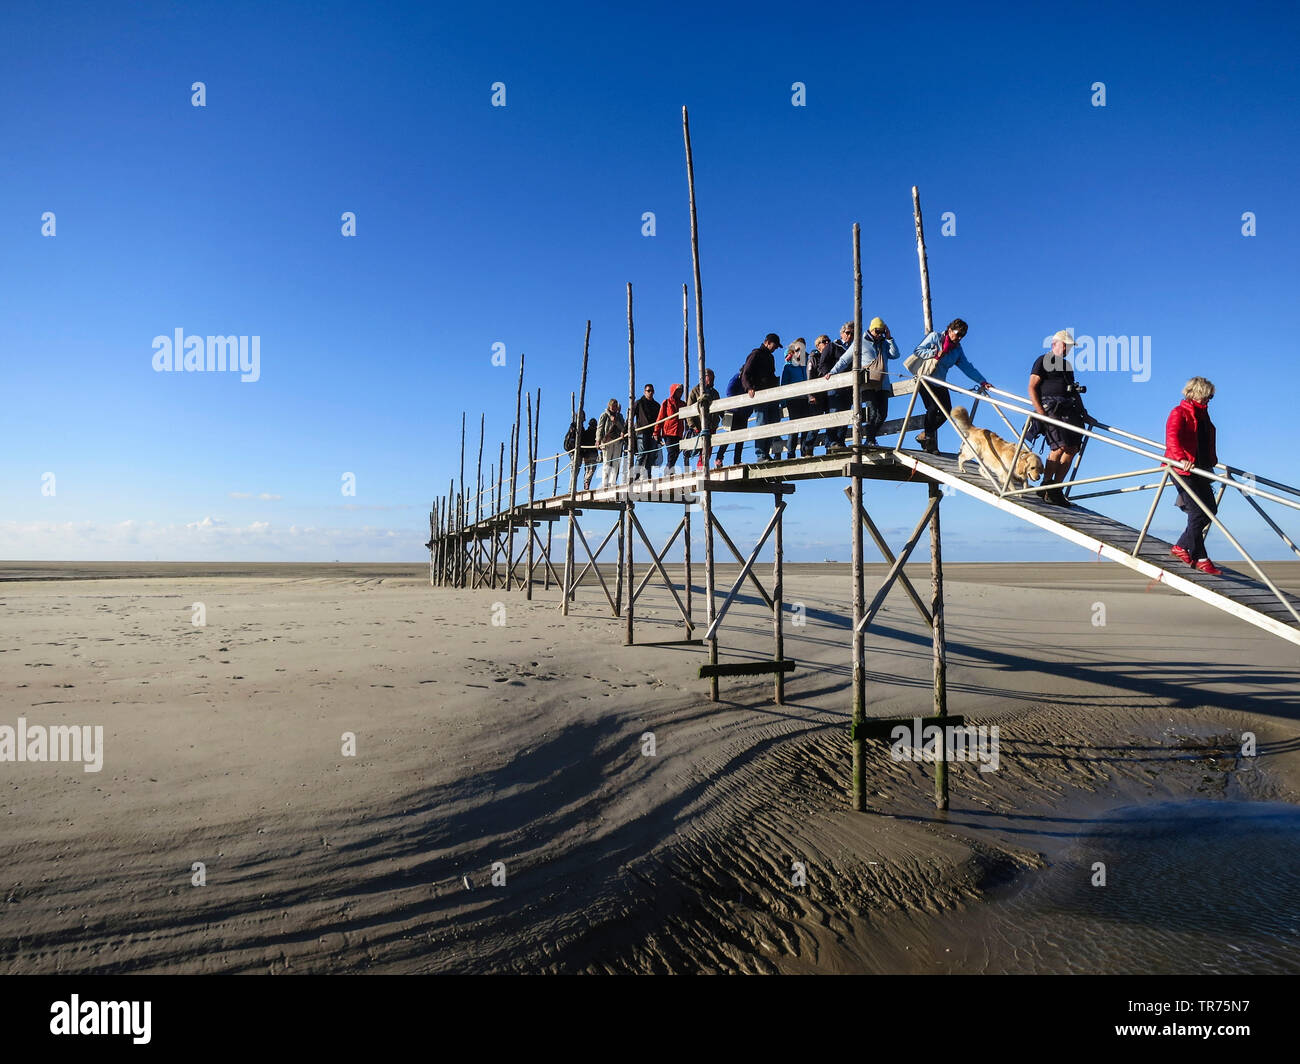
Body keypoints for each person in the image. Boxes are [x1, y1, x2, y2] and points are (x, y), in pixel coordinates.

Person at [1028, 330, 1092, 507]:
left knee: (1072, 449)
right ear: (1054, 344)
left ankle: (1056, 488)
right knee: (1059, 447)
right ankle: (1047, 485)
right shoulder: (1043, 360)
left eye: (1069, 346)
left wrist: (1084, 413)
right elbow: (1032, 386)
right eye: (1065, 345)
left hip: (1068, 408)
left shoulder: (1067, 367)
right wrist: (1040, 412)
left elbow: (1074, 392)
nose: (1067, 349)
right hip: (1050, 407)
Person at [908, 318, 991, 454]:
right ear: (950, 330)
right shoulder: (935, 337)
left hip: (940, 382)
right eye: (958, 334)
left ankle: (925, 435)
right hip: (925, 379)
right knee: (932, 408)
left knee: (947, 411)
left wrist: (982, 381)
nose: (959, 338)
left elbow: (967, 367)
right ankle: (930, 442)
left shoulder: (957, 350)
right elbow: (918, 351)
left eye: (962, 336)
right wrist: (934, 353)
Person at [1165, 377, 1221, 575]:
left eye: (1211, 397)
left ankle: (1180, 546)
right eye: (1207, 395)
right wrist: (1181, 458)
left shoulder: (1204, 415)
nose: (1209, 400)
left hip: (1201, 469)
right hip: (1183, 469)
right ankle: (1200, 557)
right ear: (1195, 393)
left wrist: (1212, 460)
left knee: (1210, 509)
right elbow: (1172, 437)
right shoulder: (1179, 412)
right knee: (1197, 511)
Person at [825, 317, 899, 447]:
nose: (879, 334)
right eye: (877, 331)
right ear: (871, 329)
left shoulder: (884, 343)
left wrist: (889, 338)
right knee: (872, 412)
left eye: (881, 331)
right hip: (867, 383)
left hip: (883, 384)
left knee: (883, 414)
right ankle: (870, 440)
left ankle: (870, 437)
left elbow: (895, 354)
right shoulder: (860, 342)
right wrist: (832, 372)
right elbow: (844, 360)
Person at [740, 333, 784, 462]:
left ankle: (766, 452)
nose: (775, 349)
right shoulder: (756, 354)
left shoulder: (770, 357)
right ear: (768, 342)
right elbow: (746, 372)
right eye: (774, 346)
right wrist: (749, 387)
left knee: (772, 423)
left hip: (771, 395)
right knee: (762, 422)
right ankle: (760, 454)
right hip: (760, 395)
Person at [807, 332, 844, 453]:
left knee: (831, 419)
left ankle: (830, 446)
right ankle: (807, 449)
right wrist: (811, 395)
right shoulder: (813, 358)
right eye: (824, 342)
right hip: (817, 395)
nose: (827, 343)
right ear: (818, 346)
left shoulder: (831, 357)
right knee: (815, 424)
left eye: (828, 341)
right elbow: (810, 377)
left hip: (828, 394)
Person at [781, 339, 811, 458]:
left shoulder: (806, 364)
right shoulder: (788, 367)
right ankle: (790, 452)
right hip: (793, 400)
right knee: (794, 426)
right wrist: (783, 402)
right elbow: (784, 384)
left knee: (805, 426)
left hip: (805, 399)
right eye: (798, 350)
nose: (800, 352)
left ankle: (804, 451)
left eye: (802, 350)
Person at [687, 368, 722, 469]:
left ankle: (704, 465)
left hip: (712, 424)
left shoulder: (715, 393)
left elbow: (720, 408)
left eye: (713, 377)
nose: (712, 379)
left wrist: (724, 418)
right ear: (705, 377)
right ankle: (700, 467)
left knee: (709, 447)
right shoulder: (695, 390)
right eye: (711, 377)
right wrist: (692, 425)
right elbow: (689, 410)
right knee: (702, 447)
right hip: (700, 424)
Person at [655, 383, 686, 474]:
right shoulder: (667, 402)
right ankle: (668, 471)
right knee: (671, 452)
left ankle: (669, 470)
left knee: (676, 453)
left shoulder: (683, 404)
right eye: (678, 391)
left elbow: (687, 417)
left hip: (679, 432)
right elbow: (660, 418)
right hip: (668, 432)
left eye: (681, 391)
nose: (680, 393)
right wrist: (656, 432)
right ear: (674, 392)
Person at [631, 383, 660, 480]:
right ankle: (635, 476)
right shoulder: (639, 403)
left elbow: (659, 420)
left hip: (653, 433)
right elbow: (630, 417)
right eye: (648, 391)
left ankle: (648, 476)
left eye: (652, 391)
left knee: (651, 455)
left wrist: (659, 435)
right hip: (642, 432)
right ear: (644, 392)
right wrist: (625, 429)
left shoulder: (656, 405)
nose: (650, 392)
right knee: (642, 454)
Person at [596, 398, 627, 487]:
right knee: (607, 461)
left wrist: (616, 422)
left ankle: (613, 482)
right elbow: (600, 428)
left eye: (615, 406)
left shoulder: (620, 416)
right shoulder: (605, 415)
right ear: (609, 406)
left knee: (616, 462)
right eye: (613, 405)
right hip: (607, 440)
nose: (614, 407)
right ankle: (604, 483)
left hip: (617, 440)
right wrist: (598, 440)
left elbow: (623, 428)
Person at [580, 417, 598, 489]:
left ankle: (586, 484)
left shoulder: (586, 432)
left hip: (587, 453)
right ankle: (587, 482)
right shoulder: (595, 432)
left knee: (587, 470)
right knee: (591, 469)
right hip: (592, 453)